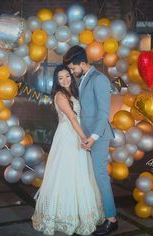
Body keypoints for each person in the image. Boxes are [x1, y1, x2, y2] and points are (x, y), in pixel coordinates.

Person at [32, 64, 104, 235]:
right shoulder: (60, 96)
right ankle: (64, 216)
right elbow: (72, 118)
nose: (64, 80)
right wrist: (84, 138)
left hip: (76, 132)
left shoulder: (73, 93)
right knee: (66, 173)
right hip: (68, 136)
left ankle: (82, 215)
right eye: (60, 78)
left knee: (81, 173)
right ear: (56, 81)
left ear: (71, 76)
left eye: (67, 76)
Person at [63, 46, 117, 236]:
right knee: (94, 177)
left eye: (73, 68)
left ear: (83, 63)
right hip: (88, 137)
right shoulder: (85, 78)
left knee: (101, 176)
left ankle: (111, 220)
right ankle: (103, 215)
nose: (72, 71)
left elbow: (103, 113)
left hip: (99, 136)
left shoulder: (99, 79)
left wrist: (93, 138)